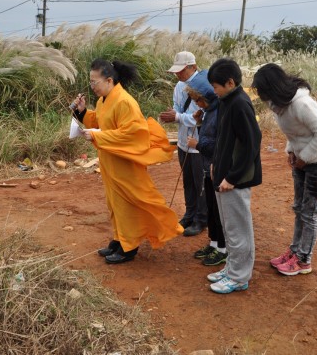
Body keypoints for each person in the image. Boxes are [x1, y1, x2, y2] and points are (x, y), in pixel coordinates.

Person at [71, 59, 184, 264]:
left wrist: (98, 137)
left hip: (125, 162)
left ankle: (129, 247)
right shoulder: (104, 99)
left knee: (129, 203)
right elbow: (99, 121)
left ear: (109, 80)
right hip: (110, 162)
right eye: (90, 82)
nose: (92, 86)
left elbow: (133, 134)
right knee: (115, 203)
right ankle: (119, 239)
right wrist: (81, 112)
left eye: (94, 82)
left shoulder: (125, 101)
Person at [252, 63, 317, 276]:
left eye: (262, 91)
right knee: (299, 208)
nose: (261, 96)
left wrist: (306, 157)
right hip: (302, 160)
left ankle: (303, 260)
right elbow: (295, 135)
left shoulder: (302, 104)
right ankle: (294, 252)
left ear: (272, 88)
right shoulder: (279, 104)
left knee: (309, 213)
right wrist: (291, 151)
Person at [205, 58, 262, 294]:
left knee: (239, 229)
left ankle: (239, 277)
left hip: (234, 180)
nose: (214, 91)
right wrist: (215, 166)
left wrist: (232, 177)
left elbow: (252, 143)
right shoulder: (227, 101)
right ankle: (231, 268)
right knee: (229, 227)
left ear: (230, 82)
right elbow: (224, 141)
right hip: (222, 175)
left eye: (216, 86)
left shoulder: (240, 103)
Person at [159, 51, 208, 236]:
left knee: (200, 183)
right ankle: (190, 213)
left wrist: (177, 116)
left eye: (181, 70)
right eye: (177, 71)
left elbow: (201, 117)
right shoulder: (179, 86)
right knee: (188, 181)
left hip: (197, 144)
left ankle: (201, 219)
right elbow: (179, 108)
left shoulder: (203, 86)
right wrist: (172, 115)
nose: (178, 74)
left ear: (193, 67)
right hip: (182, 142)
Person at [184, 72, 228, 267]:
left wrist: (197, 145)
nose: (197, 104)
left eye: (198, 100)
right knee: (210, 207)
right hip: (207, 167)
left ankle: (223, 249)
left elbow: (218, 144)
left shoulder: (221, 112)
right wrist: (200, 122)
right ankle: (213, 243)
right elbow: (207, 134)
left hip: (216, 167)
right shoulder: (209, 111)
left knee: (219, 211)